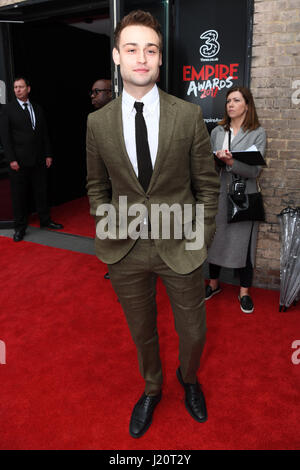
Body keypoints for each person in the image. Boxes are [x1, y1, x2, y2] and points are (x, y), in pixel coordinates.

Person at [86, 10, 219, 438]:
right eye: (132, 49)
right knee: (142, 332)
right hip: (124, 250)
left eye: (150, 49)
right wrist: (107, 227)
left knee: (193, 332)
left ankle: (189, 378)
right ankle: (152, 386)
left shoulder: (188, 115)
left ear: (160, 60)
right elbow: (95, 185)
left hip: (181, 244)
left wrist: (201, 240)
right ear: (117, 57)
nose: (141, 58)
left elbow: (207, 186)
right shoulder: (97, 122)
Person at [206, 86, 266, 314]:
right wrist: (216, 162)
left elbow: (256, 171)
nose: (230, 104)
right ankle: (213, 284)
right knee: (216, 238)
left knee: (245, 245)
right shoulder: (218, 132)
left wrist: (232, 163)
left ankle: (244, 292)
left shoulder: (257, 132)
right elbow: (210, 166)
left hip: (244, 194)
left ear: (247, 106)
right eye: (228, 100)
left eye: (236, 100)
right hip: (221, 193)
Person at [0, 77, 63, 241]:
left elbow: (44, 134)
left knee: (41, 191)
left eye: (21, 87)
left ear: (28, 88)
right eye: (15, 87)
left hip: (39, 160)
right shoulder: (8, 109)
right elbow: (5, 138)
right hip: (18, 163)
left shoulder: (37, 108)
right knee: (19, 196)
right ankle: (20, 228)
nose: (17, 90)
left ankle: (45, 220)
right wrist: (11, 159)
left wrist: (48, 154)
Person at [89, 78, 112, 280]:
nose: (93, 96)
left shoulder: (125, 117)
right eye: (93, 92)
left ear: (110, 93)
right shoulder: (94, 121)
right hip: (107, 188)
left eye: (97, 92)